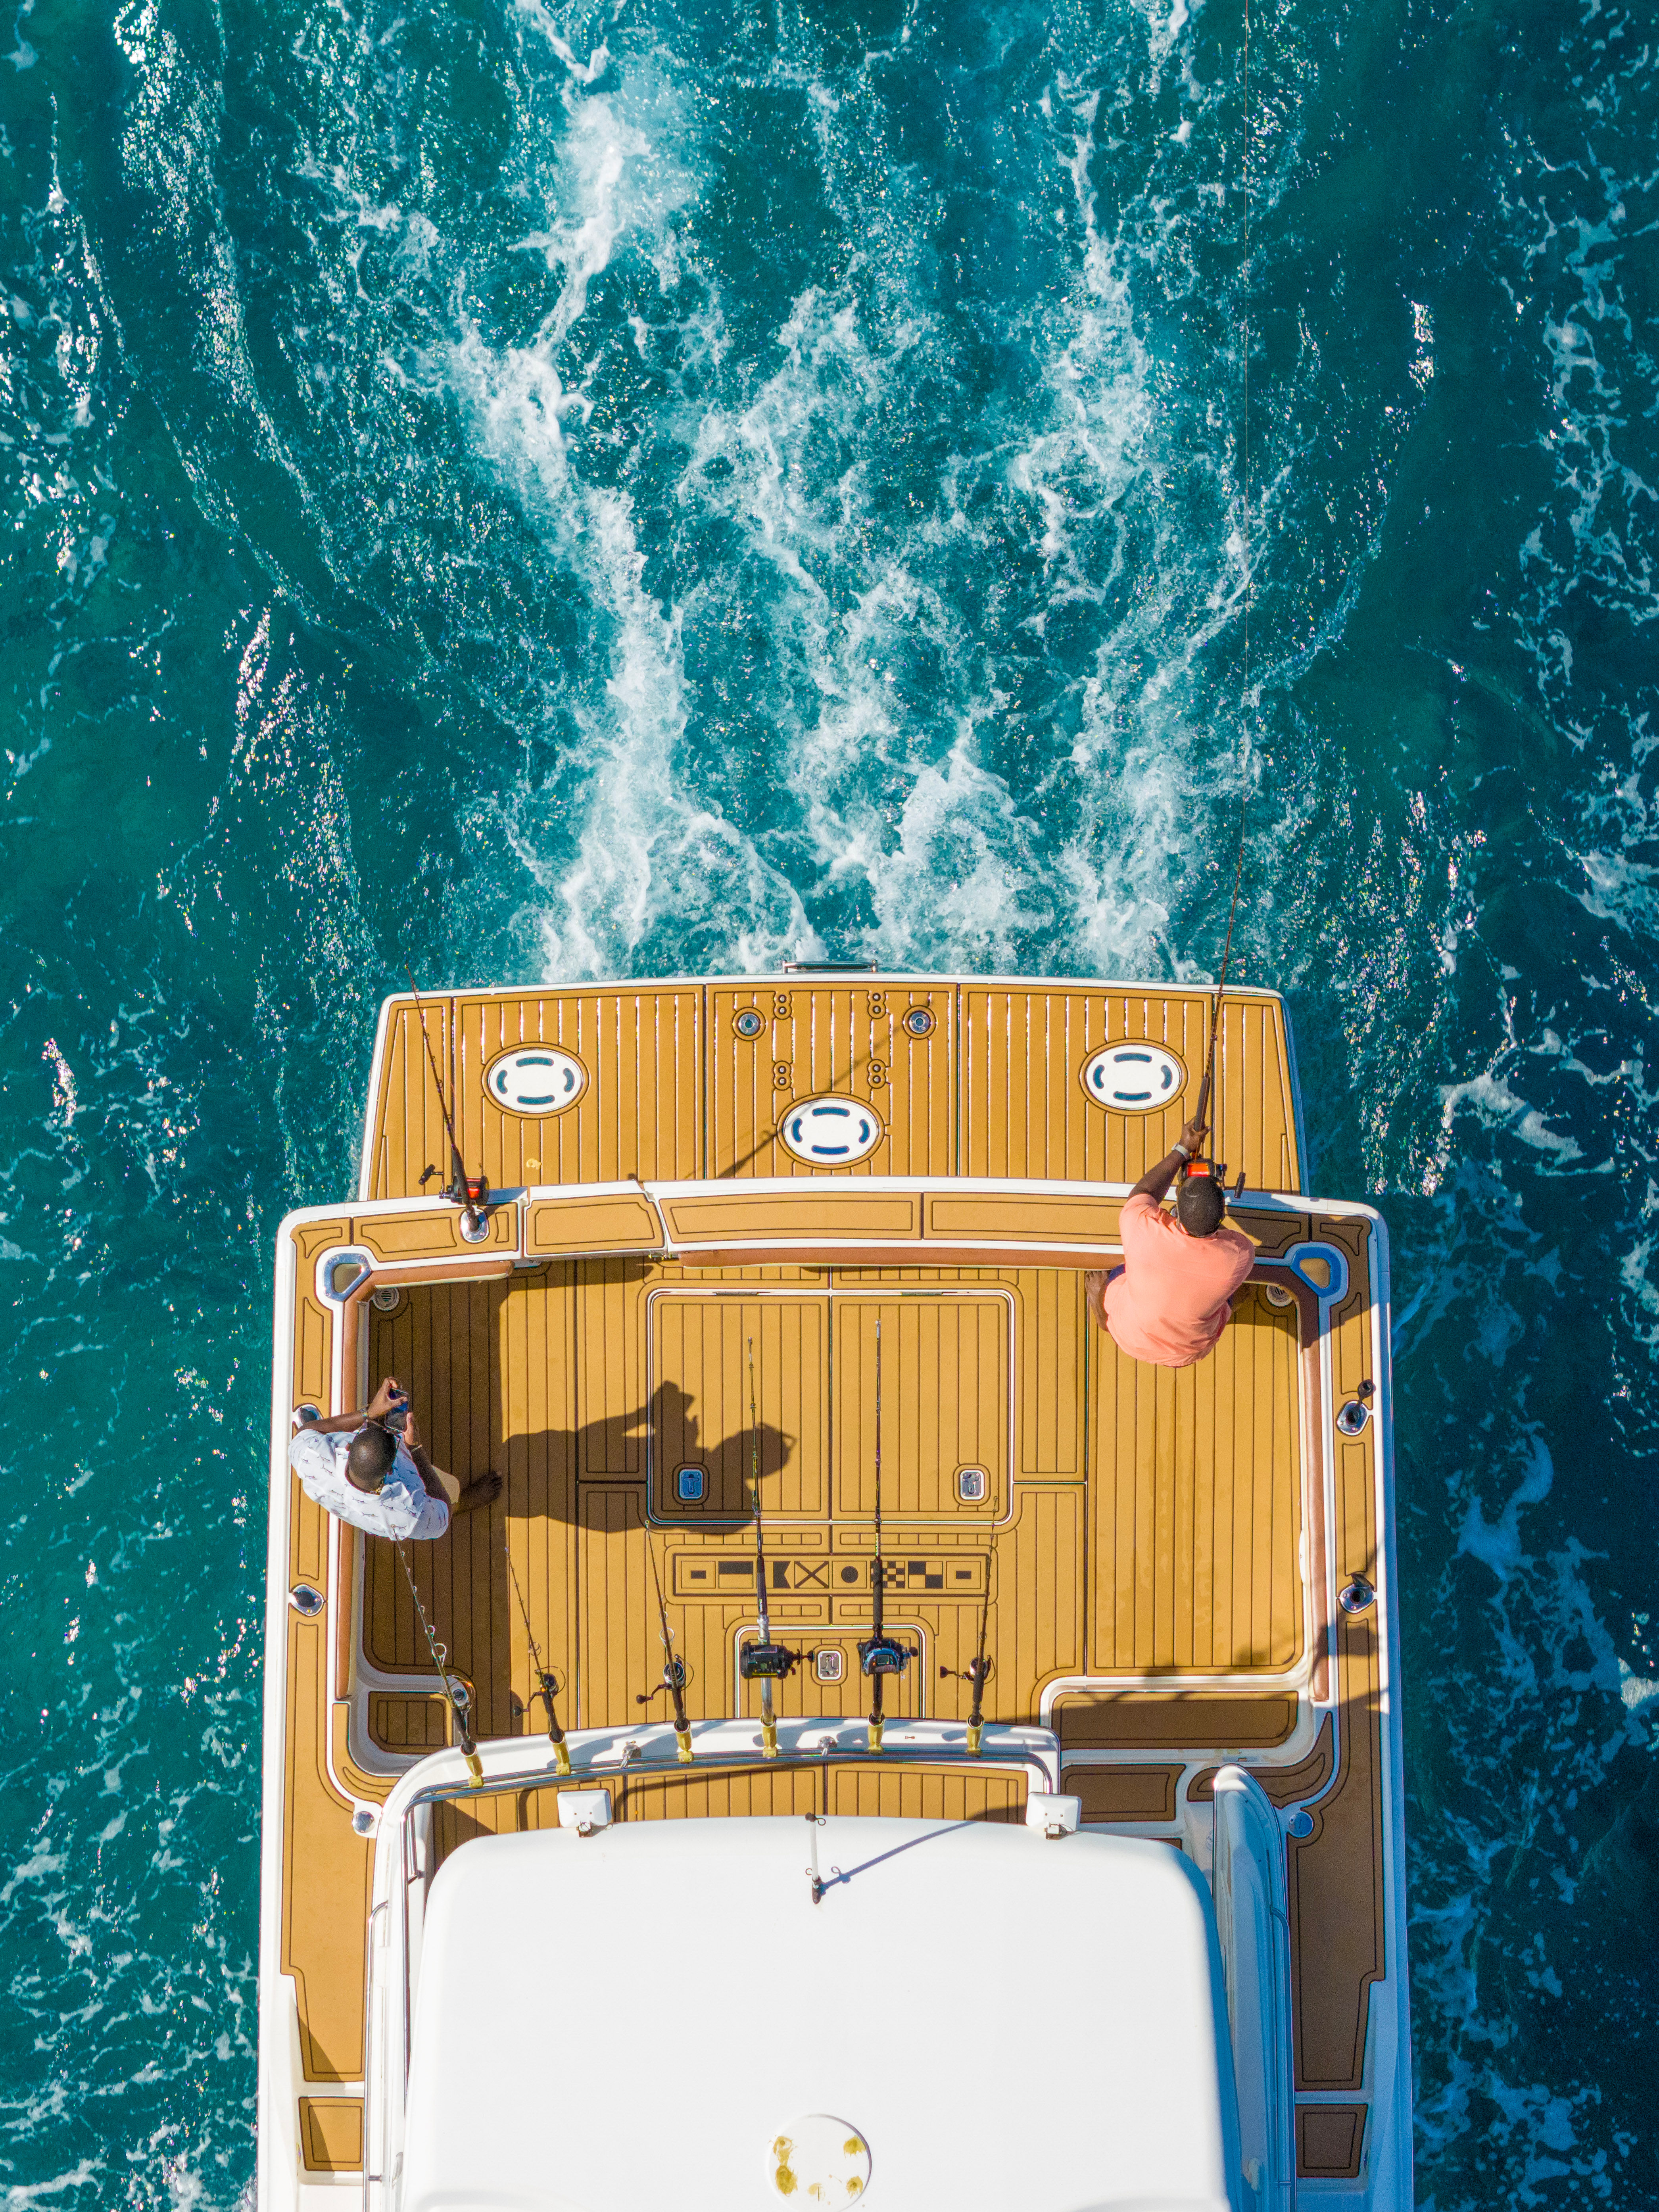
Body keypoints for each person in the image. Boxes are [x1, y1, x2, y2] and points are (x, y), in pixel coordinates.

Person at [1085, 1116, 1256, 1368]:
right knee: (1243, 1292)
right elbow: (1228, 1237)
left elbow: (1143, 1194)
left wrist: (1183, 1149)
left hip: (1130, 1338)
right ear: (1221, 1216)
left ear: (1176, 1210)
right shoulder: (1239, 1255)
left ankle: (1101, 1315)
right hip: (1189, 1353)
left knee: (1108, 1285)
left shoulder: (1141, 1227)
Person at [289, 1376, 502, 1541]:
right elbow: (442, 1515)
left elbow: (307, 1431)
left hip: (350, 1506)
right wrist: (415, 1449)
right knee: (450, 1491)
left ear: (350, 1446)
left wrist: (370, 1413)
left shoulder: (310, 1456)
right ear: (391, 1471)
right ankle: (464, 1503)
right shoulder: (410, 1514)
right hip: (412, 1495)